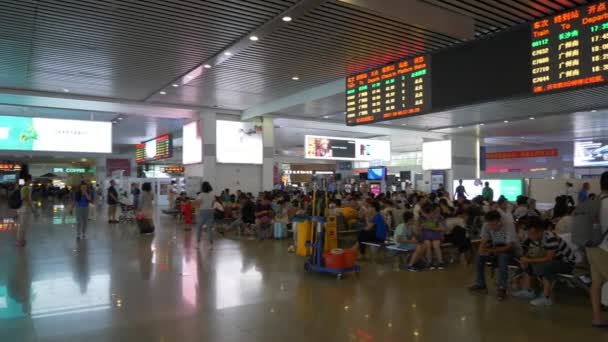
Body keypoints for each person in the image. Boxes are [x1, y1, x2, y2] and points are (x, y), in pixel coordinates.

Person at [512, 216, 576, 306]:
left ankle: (547, 297)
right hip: (554, 261)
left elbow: (549, 258)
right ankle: (528, 290)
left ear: (534, 230)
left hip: (566, 263)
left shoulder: (550, 237)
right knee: (528, 263)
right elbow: (532, 254)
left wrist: (529, 260)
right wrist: (525, 260)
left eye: (528, 231)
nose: (527, 234)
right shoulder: (534, 239)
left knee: (544, 267)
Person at [469, 210, 520, 301]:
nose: (491, 227)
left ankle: (502, 288)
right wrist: (481, 252)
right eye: (489, 224)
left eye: (493, 224)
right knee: (479, 258)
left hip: (511, 249)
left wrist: (491, 251)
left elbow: (509, 246)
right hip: (495, 247)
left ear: (499, 221)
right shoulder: (486, 225)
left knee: (503, 258)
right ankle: (481, 284)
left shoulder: (509, 225)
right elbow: (483, 241)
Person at [588, 171, 608, 328]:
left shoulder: (593, 201)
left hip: (591, 248)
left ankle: (597, 318)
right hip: (605, 249)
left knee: (596, 283)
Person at [418, 203, 446, 269]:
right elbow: (418, 229)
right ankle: (429, 262)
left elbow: (442, 228)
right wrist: (421, 227)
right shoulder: (421, 218)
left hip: (436, 234)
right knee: (428, 244)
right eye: (426, 213)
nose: (428, 215)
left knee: (436, 245)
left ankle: (440, 262)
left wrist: (430, 228)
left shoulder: (439, 217)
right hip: (425, 235)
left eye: (430, 212)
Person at [194, 182, 215, 249]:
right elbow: (213, 203)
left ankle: (197, 244)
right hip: (210, 212)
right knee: (209, 229)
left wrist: (195, 202)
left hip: (202, 211)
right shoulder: (212, 195)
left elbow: (197, 203)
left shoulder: (201, 194)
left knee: (199, 228)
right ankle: (211, 245)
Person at [16, 175, 33, 247]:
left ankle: (21, 240)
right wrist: (32, 207)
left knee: (23, 225)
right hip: (25, 209)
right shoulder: (26, 188)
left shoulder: (24, 188)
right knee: (23, 225)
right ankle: (20, 241)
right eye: (31, 179)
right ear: (28, 180)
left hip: (22, 209)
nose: (31, 180)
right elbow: (26, 199)